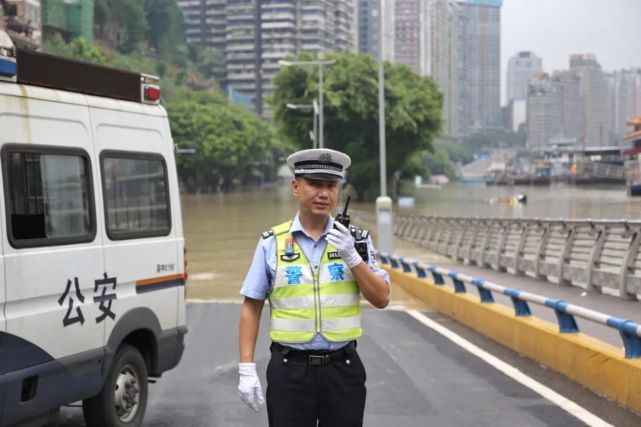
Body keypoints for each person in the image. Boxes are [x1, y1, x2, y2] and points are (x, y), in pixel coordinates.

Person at [238, 148, 390, 427]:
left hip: (343, 369)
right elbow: (252, 305)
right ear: (296, 187)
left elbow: (381, 298)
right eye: (315, 184)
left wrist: (353, 258)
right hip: (289, 371)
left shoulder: (355, 241)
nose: (324, 194)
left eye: (331, 186)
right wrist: (246, 368)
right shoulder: (272, 242)